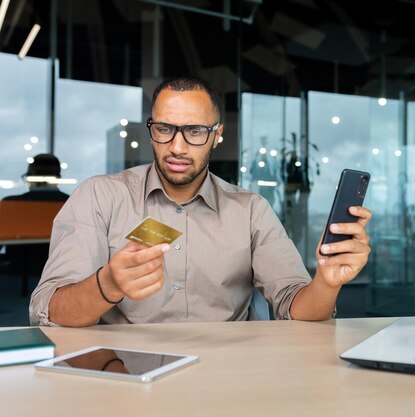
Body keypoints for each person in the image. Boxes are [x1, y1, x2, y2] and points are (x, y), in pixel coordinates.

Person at [29, 77, 372, 327]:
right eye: (165, 128)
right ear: (151, 129)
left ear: (217, 134)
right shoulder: (99, 197)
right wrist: (109, 284)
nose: (177, 147)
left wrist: (327, 283)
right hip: (124, 377)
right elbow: (49, 311)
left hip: (226, 379)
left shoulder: (250, 210)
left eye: (195, 131)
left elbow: (298, 309)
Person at [2, 154, 69, 291]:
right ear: (58, 178)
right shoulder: (72, 203)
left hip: (14, 280)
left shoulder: (11, 204)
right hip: (62, 281)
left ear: (31, 177)